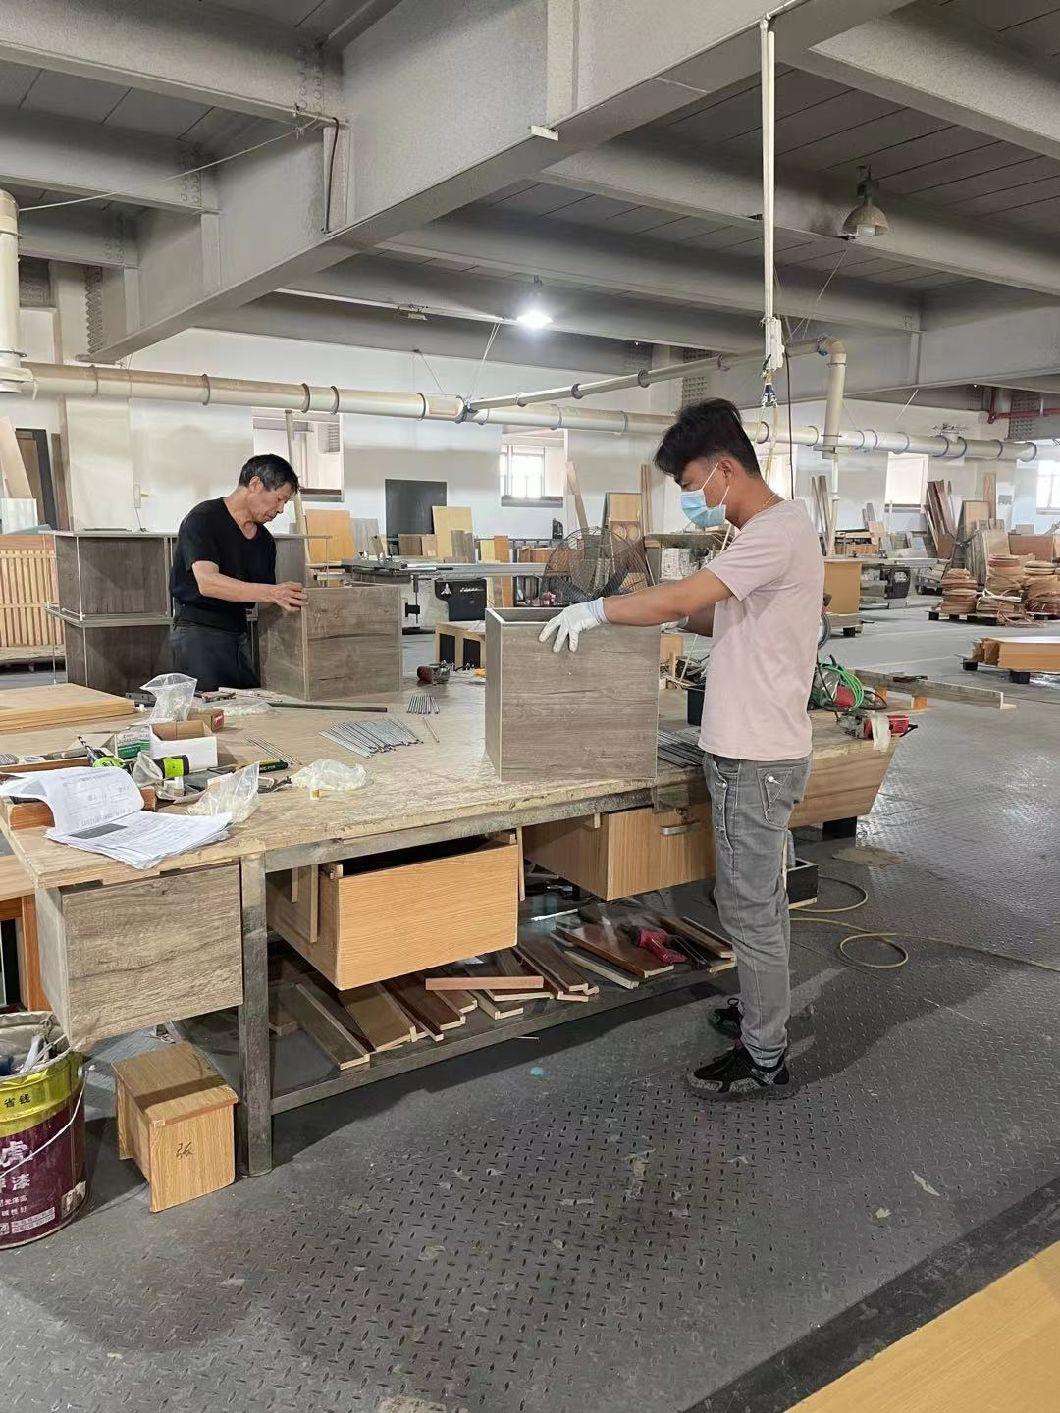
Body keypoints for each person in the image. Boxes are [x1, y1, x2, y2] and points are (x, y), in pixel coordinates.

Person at [540, 399, 824, 1098]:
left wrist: (601, 609)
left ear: (725, 469)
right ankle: (762, 1011)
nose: (694, 500)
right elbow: (706, 612)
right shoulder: (755, 532)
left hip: (757, 759)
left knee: (751, 906)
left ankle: (765, 1053)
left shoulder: (773, 531)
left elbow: (685, 599)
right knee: (753, 899)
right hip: (743, 751)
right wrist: (635, 603)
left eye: (694, 485)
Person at [170, 453, 308, 691]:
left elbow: (264, 599)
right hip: (197, 633)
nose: (281, 509)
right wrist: (272, 593)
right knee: (210, 712)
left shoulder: (264, 541)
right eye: (279, 499)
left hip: (238, 635)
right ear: (255, 485)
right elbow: (208, 582)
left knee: (248, 706)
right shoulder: (204, 519)